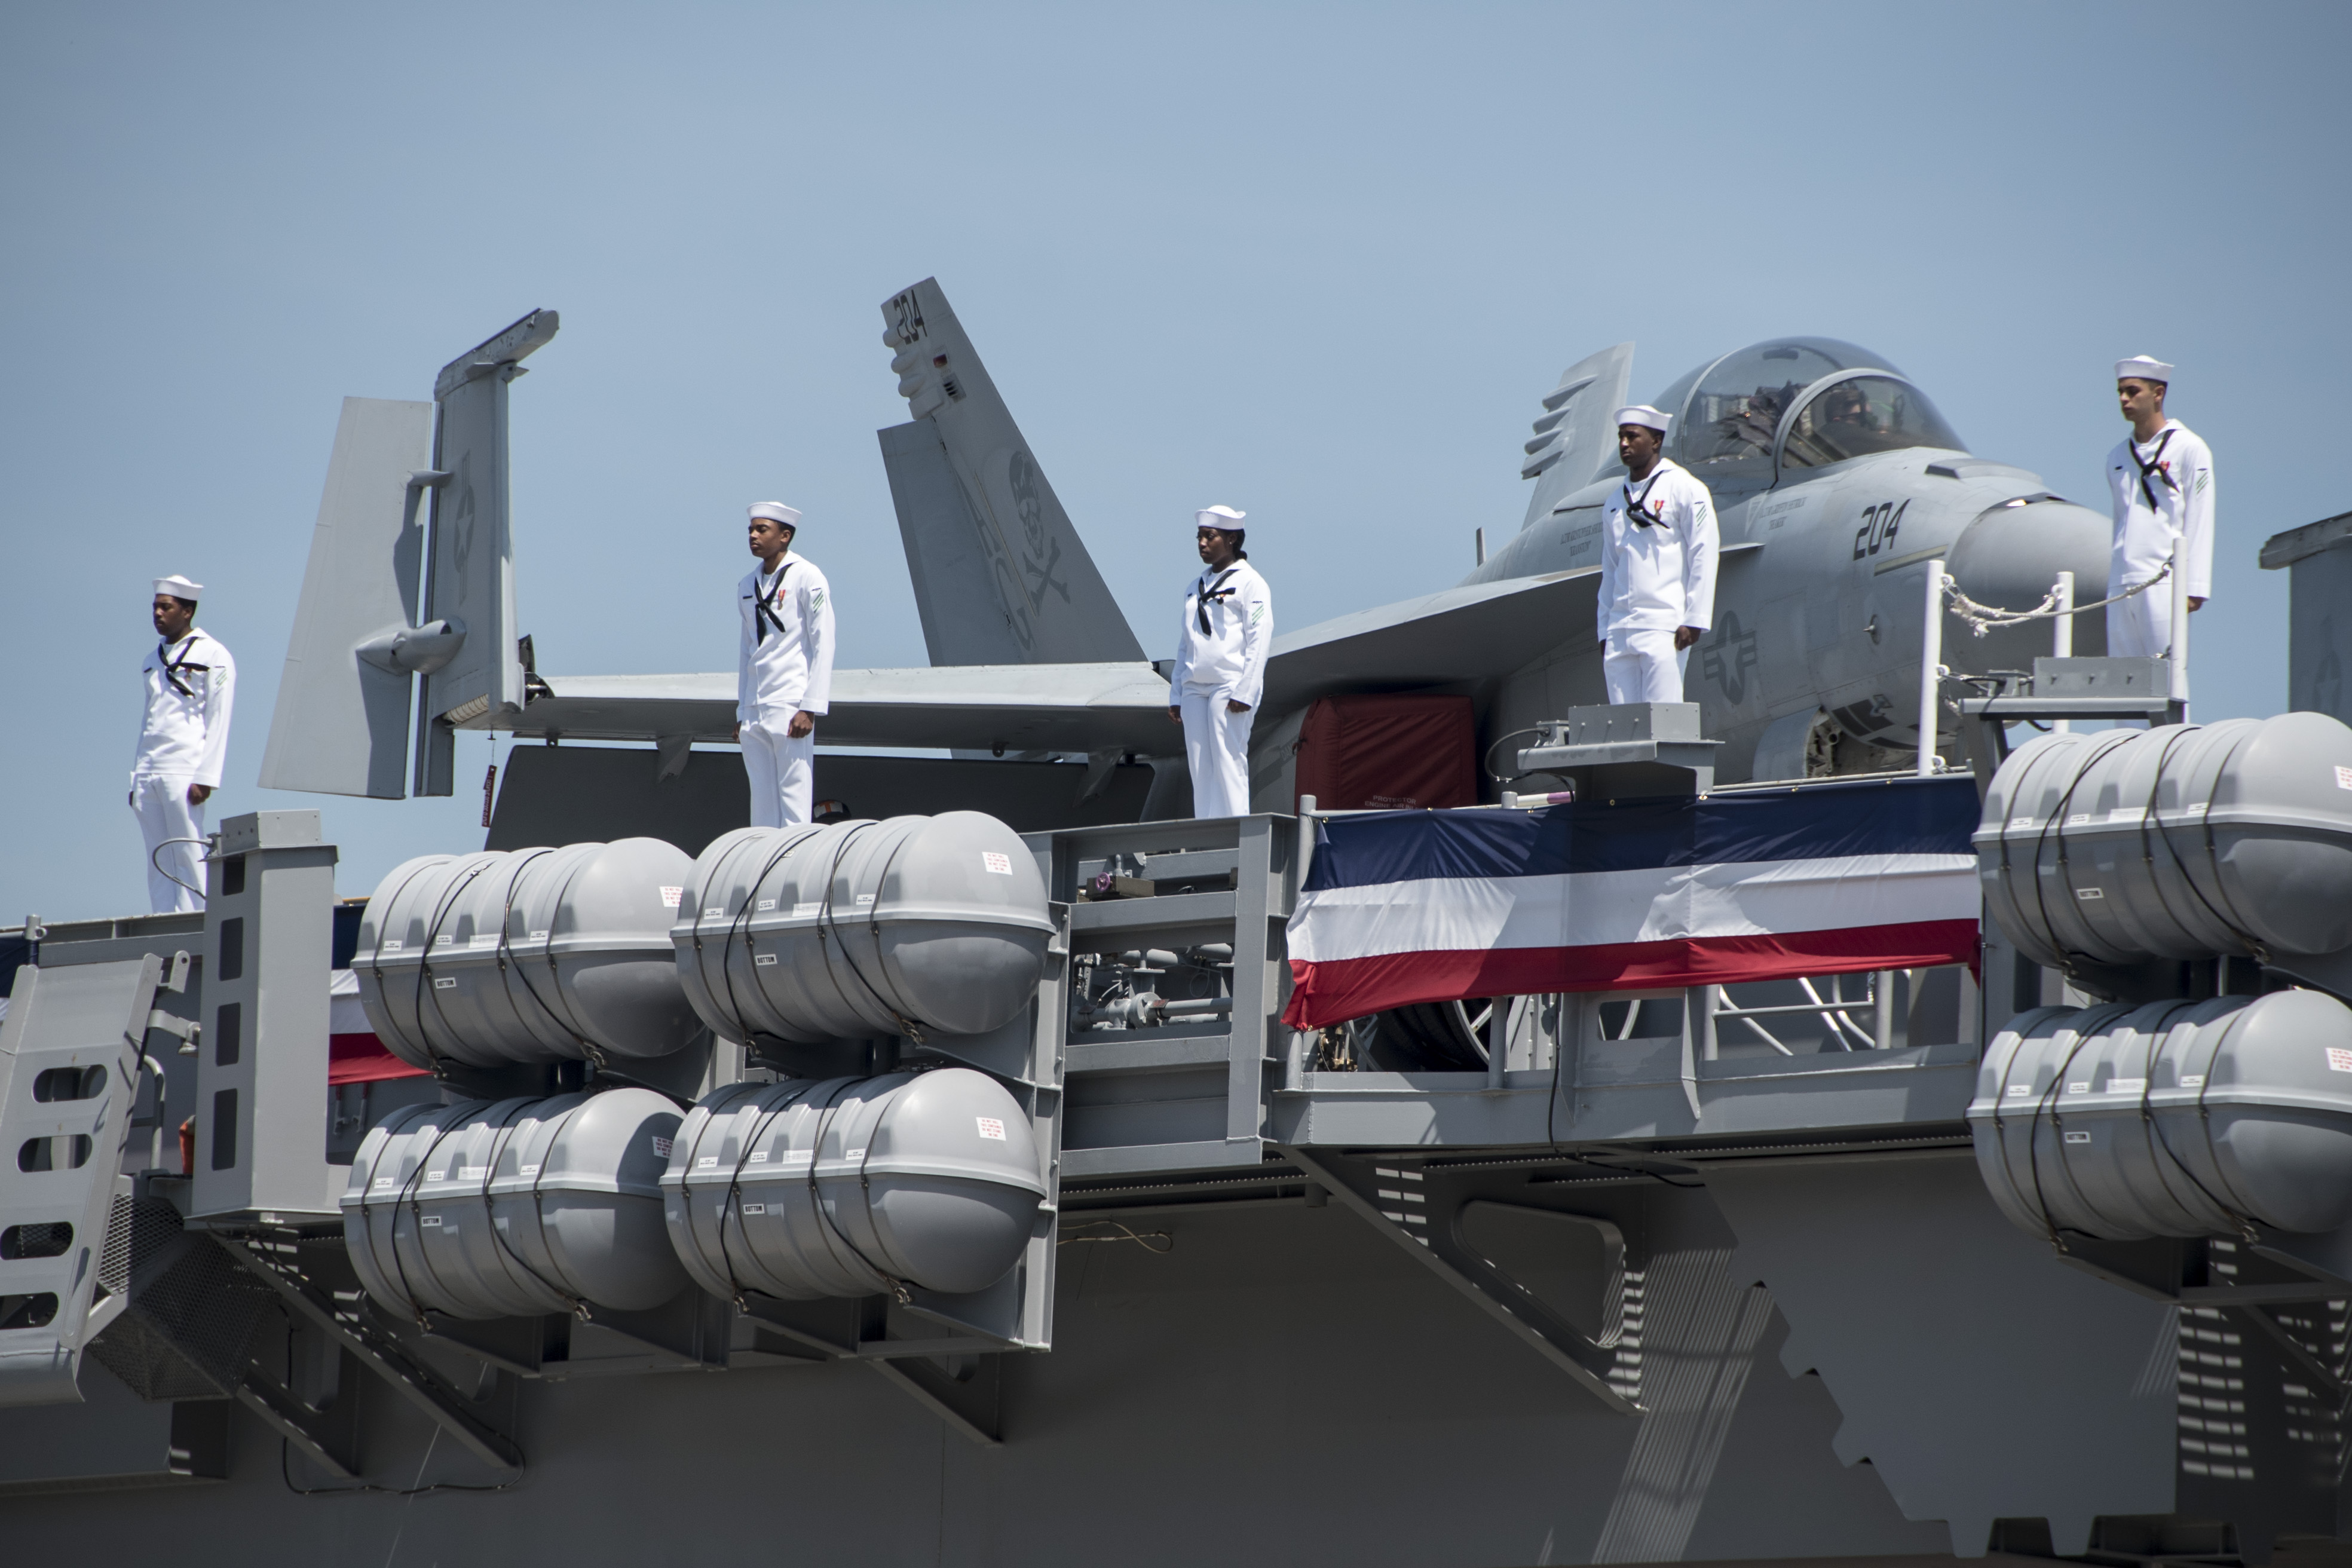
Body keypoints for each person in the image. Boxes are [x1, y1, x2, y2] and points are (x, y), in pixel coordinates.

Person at [1596, 406, 1718, 703]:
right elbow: (1610, 570)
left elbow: (1704, 550)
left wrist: (1695, 618)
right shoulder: (1614, 502)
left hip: (1665, 625)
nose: (1624, 444)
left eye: (1632, 436)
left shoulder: (1685, 488)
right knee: (1624, 729)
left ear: (1656, 441)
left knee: (1664, 719)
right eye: (1621, 437)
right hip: (1621, 629)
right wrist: (1604, 630)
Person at [131, 575, 234, 913]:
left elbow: (220, 717)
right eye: (155, 607)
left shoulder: (213, 653)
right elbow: (149, 720)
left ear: (187, 611)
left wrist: (207, 776)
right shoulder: (151, 659)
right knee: (156, 855)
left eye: (166, 607)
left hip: (184, 767)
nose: (158, 614)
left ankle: (196, 920)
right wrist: (137, 776)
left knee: (187, 849)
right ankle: (164, 920)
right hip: (150, 769)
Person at [2104, 356, 2214, 660]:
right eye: (2120, 392)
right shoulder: (2117, 456)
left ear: (2158, 394)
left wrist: (2194, 584)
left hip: (2165, 580)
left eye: (2132, 391)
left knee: (2168, 678)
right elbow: (2120, 520)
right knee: (2122, 680)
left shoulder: (2189, 448)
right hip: (2122, 582)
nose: (2124, 399)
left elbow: (2201, 515)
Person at [734, 502, 834, 828]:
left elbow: (824, 641)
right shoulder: (746, 585)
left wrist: (812, 706)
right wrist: (742, 711)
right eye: (751, 529)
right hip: (755, 705)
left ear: (785, 536)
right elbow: (746, 651)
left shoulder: (808, 575)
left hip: (791, 701)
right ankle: (763, 866)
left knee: (794, 795)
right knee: (761, 801)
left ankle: (794, 865)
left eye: (762, 530)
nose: (753, 535)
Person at [1168, 504, 1271, 818]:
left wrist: (1246, 690)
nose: (1202, 543)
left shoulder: (1251, 583)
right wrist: (1176, 694)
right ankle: (1208, 837)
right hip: (1194, 687)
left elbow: (1260, 635)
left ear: (1231, 540)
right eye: (1199, 536)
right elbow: (1186, 643)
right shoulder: (1194, 587)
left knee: (1228, 760)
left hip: (1229, 684)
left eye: (1209, 536)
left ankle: (1235, 837)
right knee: (1200, 768)